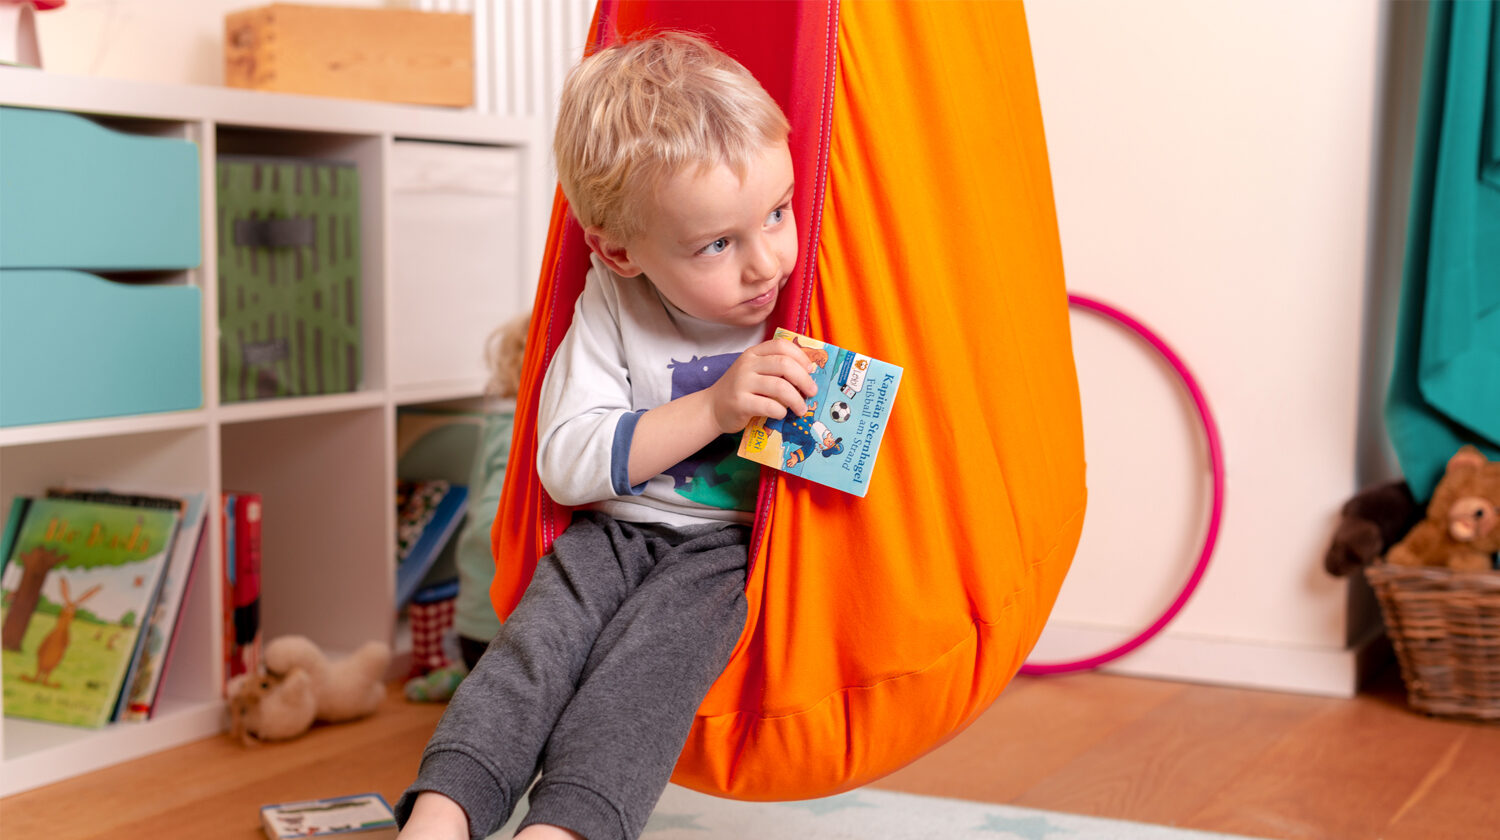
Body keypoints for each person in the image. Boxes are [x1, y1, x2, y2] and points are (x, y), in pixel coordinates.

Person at [395, 31, 817, 840]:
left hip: (722, 550)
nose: (766, 262)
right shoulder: (610, 308)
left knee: (643, 682)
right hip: (607, 537)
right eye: (719, 244)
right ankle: (439, 819)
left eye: (777, 211)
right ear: (620, 251)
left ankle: (560, 831)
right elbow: (567, 464)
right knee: (531, 655)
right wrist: (717, 408)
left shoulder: (810, 281)